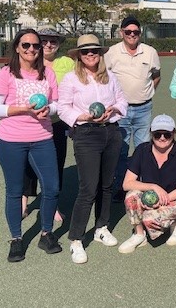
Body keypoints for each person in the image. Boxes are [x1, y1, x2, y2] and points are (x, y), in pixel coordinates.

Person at [0, 28, 61, 262]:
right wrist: (25, 109)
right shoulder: (5, 74)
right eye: (26, 45)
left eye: (36, 45)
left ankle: (46, 234)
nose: (31, 49)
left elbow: (57, 104)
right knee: (14, 190)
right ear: (17, 47)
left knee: (52, 188)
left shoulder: (48, 74)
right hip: (10, 141)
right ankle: (16, 239)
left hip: (42, 138)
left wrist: (49, 109)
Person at [58, 34, 128, 264]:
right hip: (86, 133)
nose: (91, 55)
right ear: (79, 55)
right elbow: (62, 108)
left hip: (111, 132)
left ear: (100, 54)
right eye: (86, 51)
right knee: (88, 189)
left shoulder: (111, 77)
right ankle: (76, 239)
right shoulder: (70, 79)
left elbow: (122, 100)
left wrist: (113, 110)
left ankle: (101, 227)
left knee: (106, 185)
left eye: (95, 51)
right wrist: (82, 116)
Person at [118, 115, 176, 253]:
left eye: (167, 134)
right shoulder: (142, 150)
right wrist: (153, 187)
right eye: (157, 134)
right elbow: (127, 184)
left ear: (174, 134)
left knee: (149, 218)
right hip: (151, 196)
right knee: (131, 197)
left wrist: (160, 202)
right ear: (151, 134)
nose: (162, 138)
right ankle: (139, 235)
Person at [104, 16, 161, 201]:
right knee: (121, 150)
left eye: (135, 32)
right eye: (128, 32)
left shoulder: (150, 52)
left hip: (144, 108)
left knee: (143, 150)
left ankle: (142, 188)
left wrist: (147, 92)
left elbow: (156, 75)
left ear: (140, 33)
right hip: (120, 111)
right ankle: (121, 186)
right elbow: (104, 78)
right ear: (122, 32)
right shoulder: (112, 53)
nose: (132, 35)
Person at [22, 26, 74, 222]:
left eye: (53, 41)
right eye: (44, 41)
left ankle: (52, 204)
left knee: (56, 162)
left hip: (57, 122)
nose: (49, 44)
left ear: (59, 44)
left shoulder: (66, 62)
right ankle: (23, 202)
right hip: (31, 122)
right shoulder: (29, 62)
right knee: (26, 162)